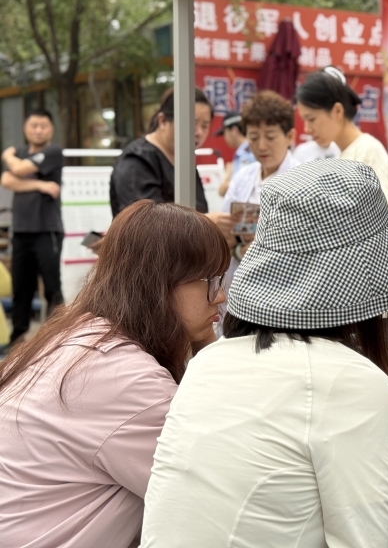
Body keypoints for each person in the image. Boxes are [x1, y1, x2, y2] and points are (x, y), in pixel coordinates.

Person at [140, 160, 388, 547]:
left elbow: (359, 425)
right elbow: (367, 536)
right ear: (369, 289)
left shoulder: (212, 362)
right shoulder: (346, 379)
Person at [0, 200, 229, 548]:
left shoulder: (80, 334)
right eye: (209, 281)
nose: (221, 296)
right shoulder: (126, 379)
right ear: (160, 283)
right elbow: (213, 498)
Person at [296, 66, 388, 214]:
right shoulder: (349, 154)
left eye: (311, 119)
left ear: (337, 111)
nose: (307, 128)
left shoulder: (368, 153)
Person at [1, 108, 64, 348]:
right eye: (34, 125)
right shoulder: (21, 153)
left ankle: (55, 339)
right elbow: (6, 181)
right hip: (21, 232)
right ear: (25, 128)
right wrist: (40, 184)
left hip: (47, 230)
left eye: (43, 125)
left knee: (52, 288)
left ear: (51, 129)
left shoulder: (53, 152)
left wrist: (7, 156)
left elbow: (16, 172)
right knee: (21, 288)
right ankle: (18, 338)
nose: (38, 130)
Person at [219, 90, 299, 270]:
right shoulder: (242, 177)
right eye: (253, 137)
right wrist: (239, 250)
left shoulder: (303, 179)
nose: (261, 146)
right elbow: (225, 232)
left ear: (290, 137)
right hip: (239, 278)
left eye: (270, 137)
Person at [110, 87, 214, 216]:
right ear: (163, 121)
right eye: (192, 123)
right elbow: (145, 224)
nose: (199, 132)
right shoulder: (136, 161)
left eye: (205, 126)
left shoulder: (185, 163)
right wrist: (208, 222)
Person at [215, 111, 255, 197]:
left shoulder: (246, 154)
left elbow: (240, 186)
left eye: (224, 133)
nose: (224, 138)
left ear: (234, 131)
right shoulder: (244, 152)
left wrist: (226, 180)